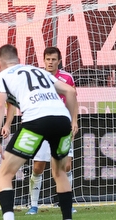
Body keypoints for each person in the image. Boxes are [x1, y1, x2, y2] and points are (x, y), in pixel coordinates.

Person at [0, 43, 78, 220]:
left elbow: (0, 104)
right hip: (62, 120)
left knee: (4, 174)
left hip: (36, 121)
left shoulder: (0, 77)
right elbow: (70, 91)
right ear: (19, 60)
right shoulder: (39, 71)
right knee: (60, 173)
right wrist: (73, 120)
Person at [27, 47, 76, 215]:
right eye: (48, 59)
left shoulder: (67, 78)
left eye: (53, 59)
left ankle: (67, 204)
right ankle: (33, 205)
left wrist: (74, 121)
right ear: (44, 60)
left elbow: (72, 99)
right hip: (42, 127)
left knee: (66, 166)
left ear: (59, 61)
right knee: (38, 167)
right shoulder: (37, 77)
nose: (50, 62)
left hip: (62, 126)